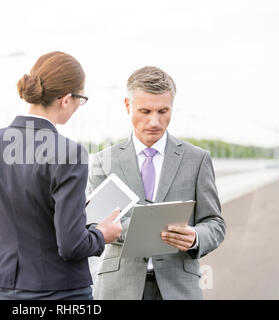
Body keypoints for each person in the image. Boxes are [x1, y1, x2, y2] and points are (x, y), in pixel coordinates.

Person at [0, 51, 122, 300]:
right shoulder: (69, 152)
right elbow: (72, 246)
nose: (77, 107)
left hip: (8, 291)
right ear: (65, 99)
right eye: (80, 99)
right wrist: (101, 234)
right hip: (62, 293)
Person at [90, 66, 226, 300]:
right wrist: (142, 228)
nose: (154, 121)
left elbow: (215, 223)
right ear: (127, 106)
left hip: (178, 288)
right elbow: (95, 224)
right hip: (118, 288)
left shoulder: (197, 159)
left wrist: (195, 237)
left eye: (163, 111)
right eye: (145, 111)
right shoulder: (104, 161)